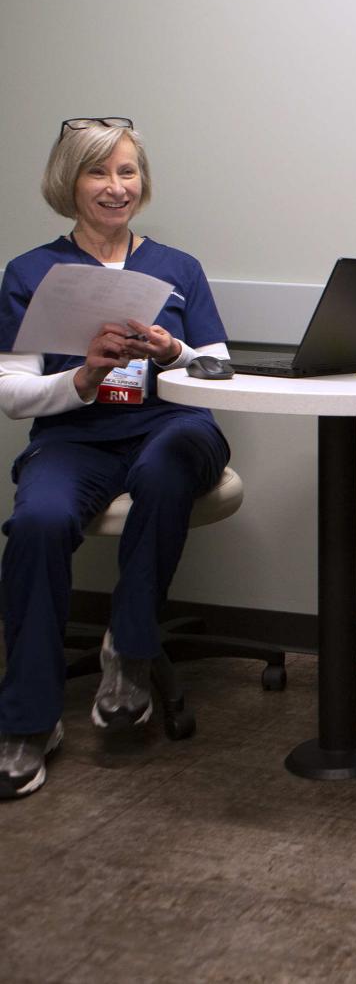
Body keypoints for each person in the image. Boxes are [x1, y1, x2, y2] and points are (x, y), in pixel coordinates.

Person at [0, 118, 232, 800]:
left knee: (166, 467)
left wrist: (173, 354)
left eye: (127, 171)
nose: (115, 186)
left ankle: (130, 652)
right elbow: (13, 392)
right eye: (98, 172)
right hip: (75, 436)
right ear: (68, 183)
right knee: (38, 521)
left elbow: (218, 368)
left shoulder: (177, 267)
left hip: (172, 425)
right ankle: (27, 720)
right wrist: (82, 378)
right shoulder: (31, 272)